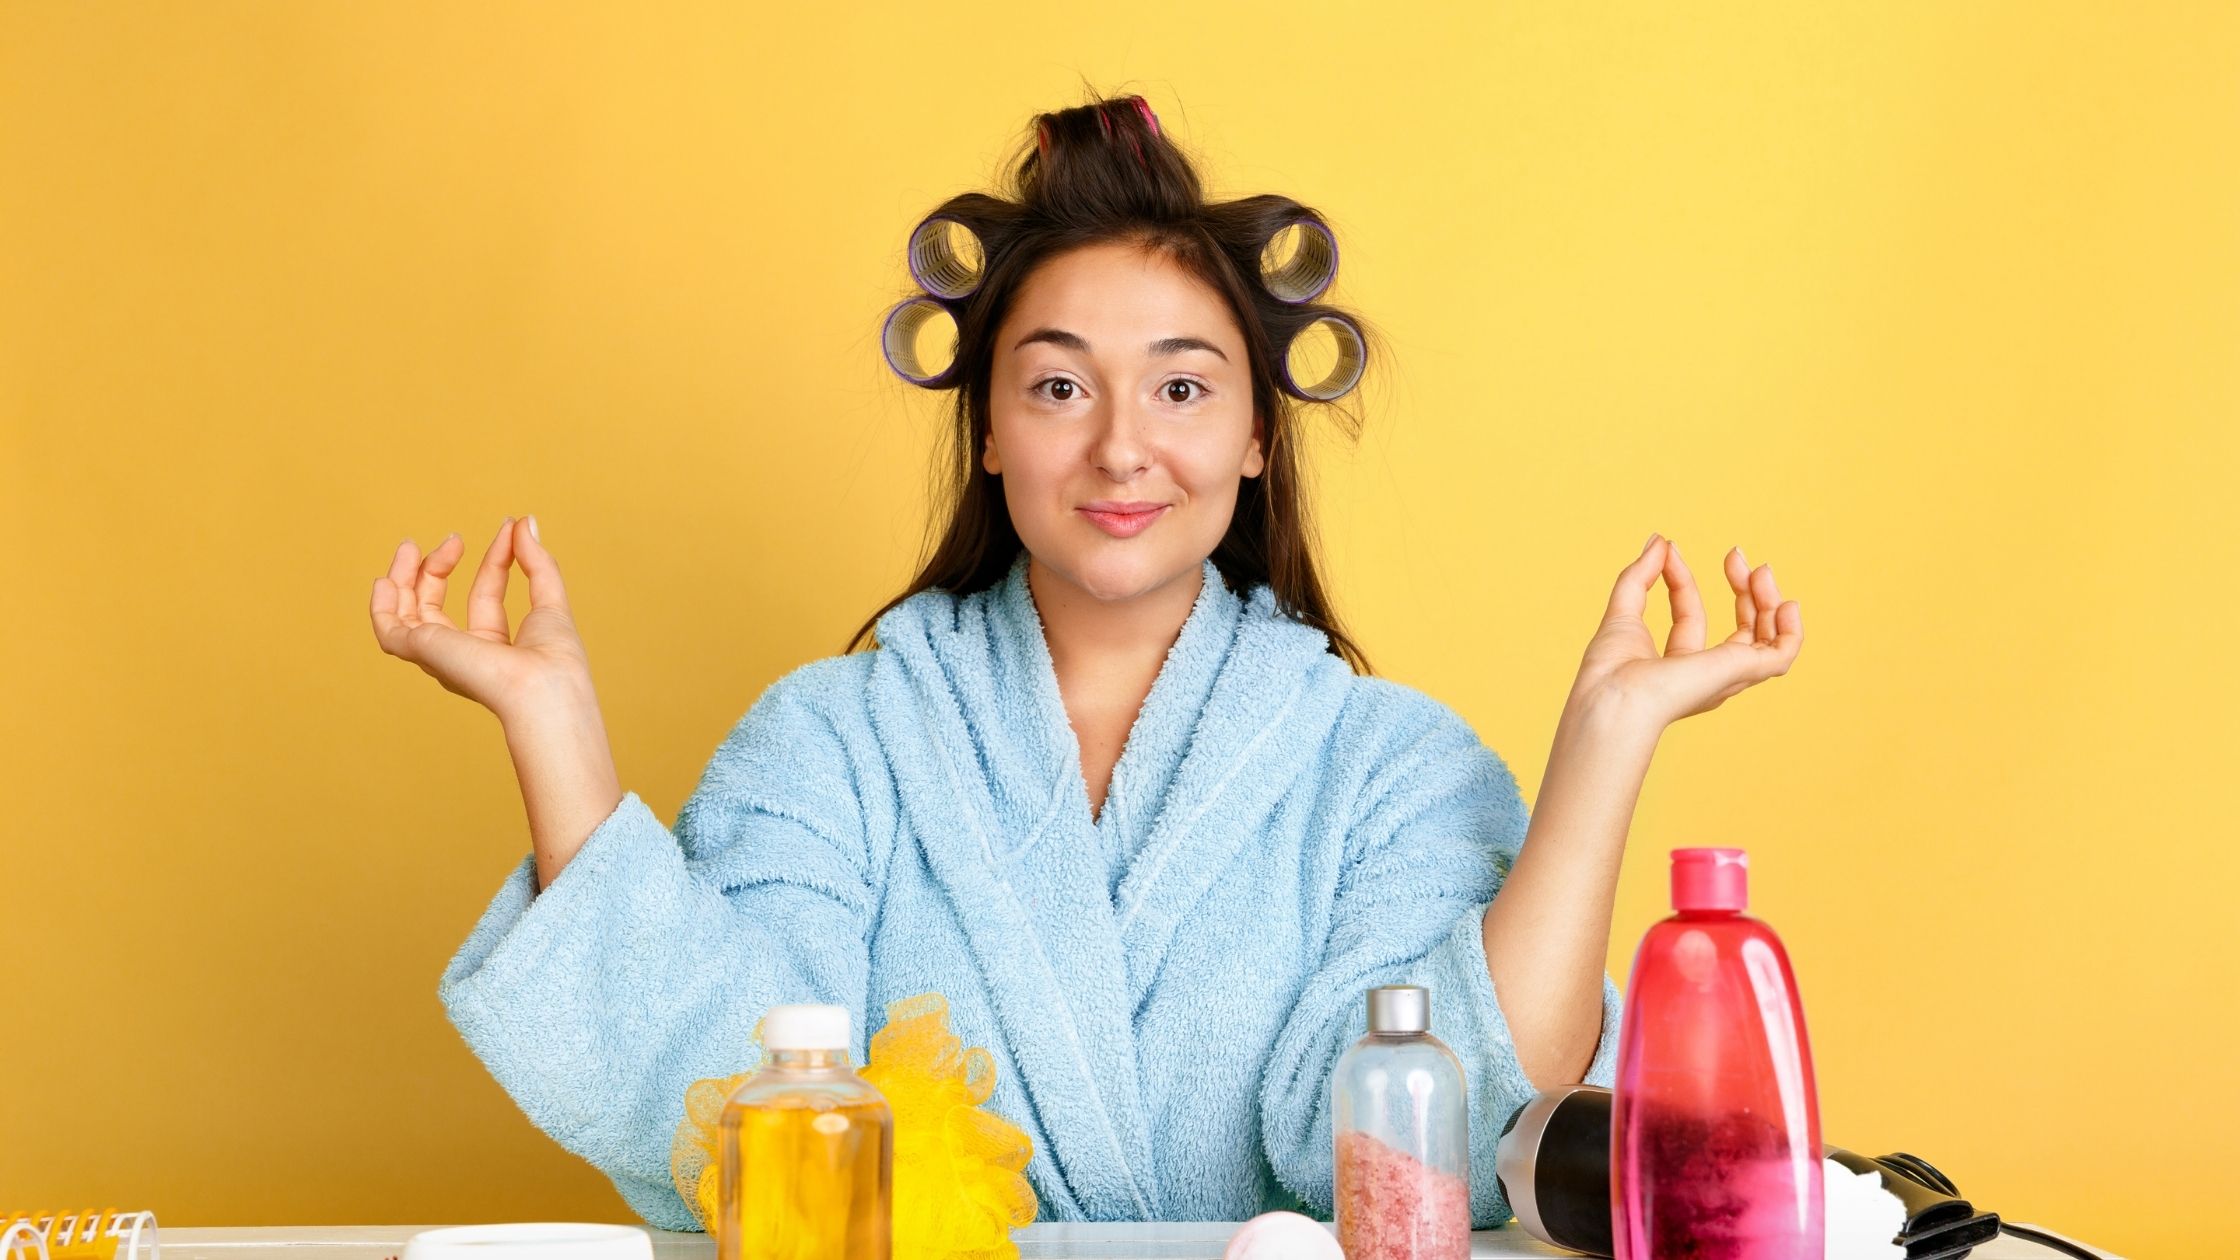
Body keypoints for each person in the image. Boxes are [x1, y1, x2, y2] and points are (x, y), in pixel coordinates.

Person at [366, 93, 1803, 1232]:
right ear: (988, 429)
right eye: (1058, 385)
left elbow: (1431, 1140)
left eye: (1182, 386)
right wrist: (554, 731)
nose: (1121, 445)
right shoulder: (831, 740)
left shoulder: (1394, 767)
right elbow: (731, 1113)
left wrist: (1604, 747)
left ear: (1254, 439)